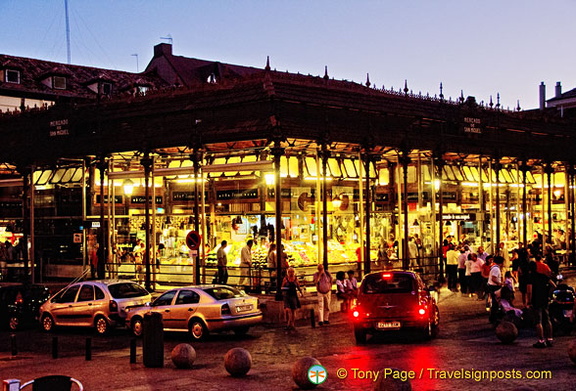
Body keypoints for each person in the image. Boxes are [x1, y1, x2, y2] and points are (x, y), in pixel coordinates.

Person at [527, 254, 556, 348]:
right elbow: (554, 286)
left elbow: (529, 291)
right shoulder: (543, 276)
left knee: (538, 321)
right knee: (547, 319)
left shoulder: (530, 278)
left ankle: (541, 340)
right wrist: (549, 294)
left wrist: (529, 301)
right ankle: (550, 339)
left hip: (536, 299)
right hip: (544, 299)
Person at [487, 256, 504, 324]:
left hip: (492, 286)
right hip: (494, 287)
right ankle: (493, 318)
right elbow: (493, 278)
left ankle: (493, 317)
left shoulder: (494, 268)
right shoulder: (496, 269)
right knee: (495, 303)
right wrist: (500, 283)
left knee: (495, 303)